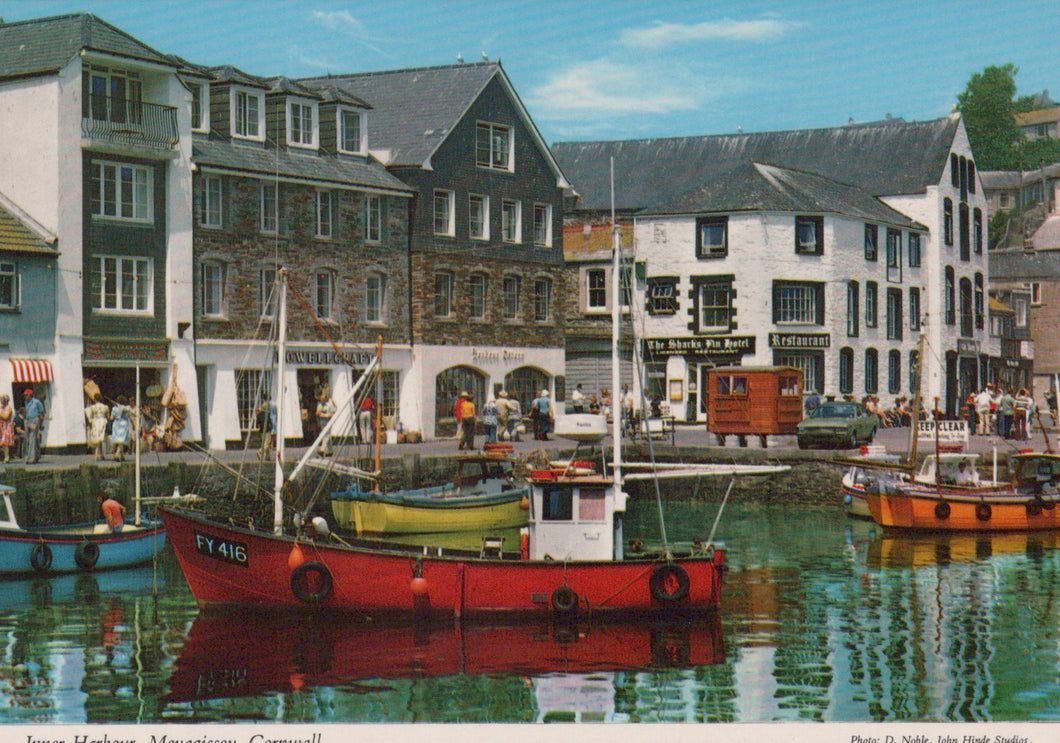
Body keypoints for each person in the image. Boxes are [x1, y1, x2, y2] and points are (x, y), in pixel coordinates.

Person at [22, 388, 44, 464]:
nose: (25, 397)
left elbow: (41, 413)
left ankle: (31, 457)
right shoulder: (26, 402)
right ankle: (36, 455)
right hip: (28, 420)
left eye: (26, 395)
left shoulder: (37, 402)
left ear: (30, 395)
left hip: (34, 420)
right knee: (29, 439)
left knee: (32, 438)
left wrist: (41, 423)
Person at [109, 395, 133, 462]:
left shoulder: (114, 409)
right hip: (124, 423)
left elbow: (111, 418)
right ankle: (121, 455)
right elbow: (130, 416)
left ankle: (117, 453)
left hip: (117, 424)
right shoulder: (127, 408)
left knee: (119, 439)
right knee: (122, 439)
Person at [316, 388, 336, 455]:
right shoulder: (319, 404)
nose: (322, 401)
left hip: (328, 422)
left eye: (323, 399)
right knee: (327, 436)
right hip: (322, 423)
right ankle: (330, 451)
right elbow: (317, 413)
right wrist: (320, 411)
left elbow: (333, 413)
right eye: (321, 399)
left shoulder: (330, 404)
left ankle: (322, 449)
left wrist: (325, 415)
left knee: (325, 435)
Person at [257, 392, 276, 459]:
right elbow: (275, 413)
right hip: (268, 425)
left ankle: (268, 457)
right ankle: (260, 451)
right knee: (268, 442)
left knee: (265, 442)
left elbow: (257, 423)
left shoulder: (260, 413)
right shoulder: (272, 405)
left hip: (262, 429)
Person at [0, 394, 13, 463]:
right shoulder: (1, 408)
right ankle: (3, 457)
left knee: (6, 441)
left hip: (7, 426)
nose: (1, 402)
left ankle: (7, 457)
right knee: (1, 442)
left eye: (3, 400)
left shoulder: (9, 408)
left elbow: (6, 417)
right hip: (1, 426)